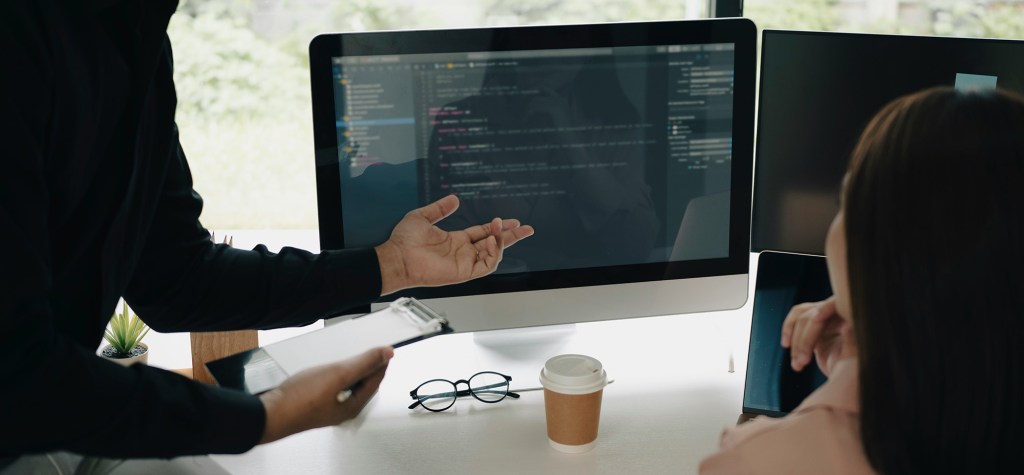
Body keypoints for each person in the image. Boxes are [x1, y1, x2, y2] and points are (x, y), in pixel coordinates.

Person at [0, 0, 534, 470]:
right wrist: (265, 417)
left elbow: (175, 279)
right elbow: (19, 376)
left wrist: (392, 267)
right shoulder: (24, 32)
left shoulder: (137, 35)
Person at [700, 86, 1024, 473]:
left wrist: (840, 393)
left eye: (846, 202)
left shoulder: (760, 461)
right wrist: (861, 361)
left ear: (882, 252)